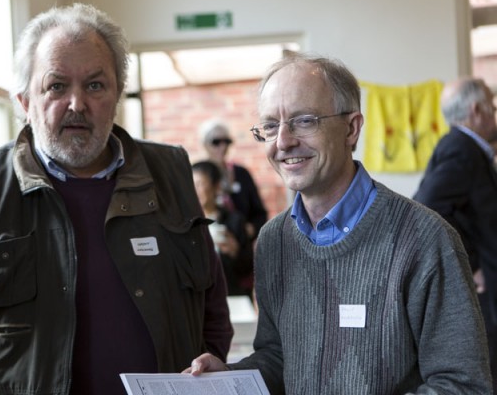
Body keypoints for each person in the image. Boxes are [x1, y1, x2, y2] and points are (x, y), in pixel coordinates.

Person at [0, 3, 233, 395]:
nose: (77, 104)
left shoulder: (173, 176)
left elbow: (211, 311)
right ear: (25, 102)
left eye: (95, 85)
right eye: (56, 86)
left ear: (116, 96)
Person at [186, 53, 493, 394]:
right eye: (271, 125)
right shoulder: (274, 241)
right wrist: (229, 377)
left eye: (304, 120)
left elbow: (464, 385)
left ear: (351, 128)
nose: (283, 142)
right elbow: (279, 357)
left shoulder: (426, 238)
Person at [413, 76, 497, 391]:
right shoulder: (462, 149)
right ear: (477, 110)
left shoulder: (469, 148)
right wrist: (470, 263)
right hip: (484, 289)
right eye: (492, 107)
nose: (494, 114)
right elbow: (428, 206)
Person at [200, 119, 268, 295]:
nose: (222, 146)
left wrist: (246, 231)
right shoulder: (198, 173)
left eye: (226, 141)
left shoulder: (241, 174)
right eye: (216, 141)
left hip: (239, 250)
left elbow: (260, 213)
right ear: (205, 144)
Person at [192, 160, 253, 297]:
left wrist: (235, 251)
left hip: (229, 296)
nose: (194, 190)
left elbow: (248, 267)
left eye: (200, 184)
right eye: (191, 184)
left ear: (216, 186)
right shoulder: (184, 224)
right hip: (196, 300)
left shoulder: (234, 221)